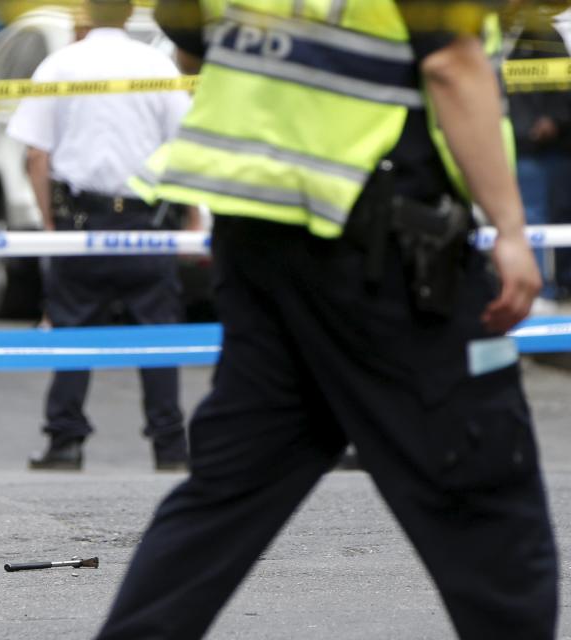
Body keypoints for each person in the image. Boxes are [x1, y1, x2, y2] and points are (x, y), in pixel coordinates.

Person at [96, 1, 558, 638]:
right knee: (485, 484)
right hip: (376, 239)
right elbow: (453, 63)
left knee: (231, 490)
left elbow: (188, 36)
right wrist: (509, 227)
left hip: (258, 232)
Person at [6, 0, 196, 472]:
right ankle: (170, 446)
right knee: (158, 335)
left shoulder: (60, 65)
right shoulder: (157, 66)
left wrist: (50, 224)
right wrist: (193, 220)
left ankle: (65, 442)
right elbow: (186, 149)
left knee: (74, 330)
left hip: (81, 223)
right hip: (146, 225)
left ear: (86, 12)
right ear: (131, 12)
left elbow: (36, 154)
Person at [506, 2, 571, 313]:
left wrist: (552, 121)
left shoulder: (540, 35)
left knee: (546, 217)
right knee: (536, 217)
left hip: (544, 148)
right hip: (526, 146)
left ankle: (548, 289)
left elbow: (562, 86)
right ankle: (543, 291)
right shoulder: (515, 37)